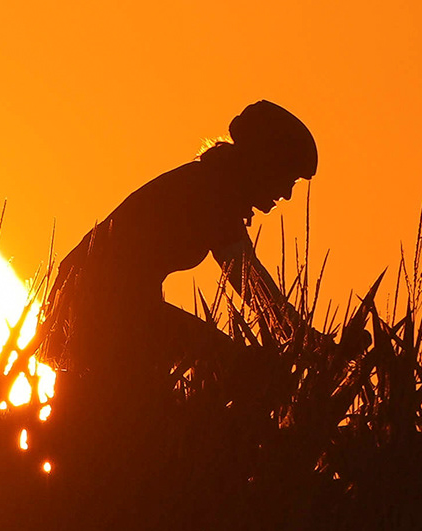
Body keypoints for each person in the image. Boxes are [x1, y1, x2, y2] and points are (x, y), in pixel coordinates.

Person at [40, 99, 326, 408]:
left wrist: (303, 336)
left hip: (101, 308)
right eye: (289, 178)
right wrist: (304, 339)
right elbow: (246, 276)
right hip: (95, 310)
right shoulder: (213, 190)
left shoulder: (211, 183)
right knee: (236, 370)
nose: (287, 193)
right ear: (263, 162)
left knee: (206, 375)